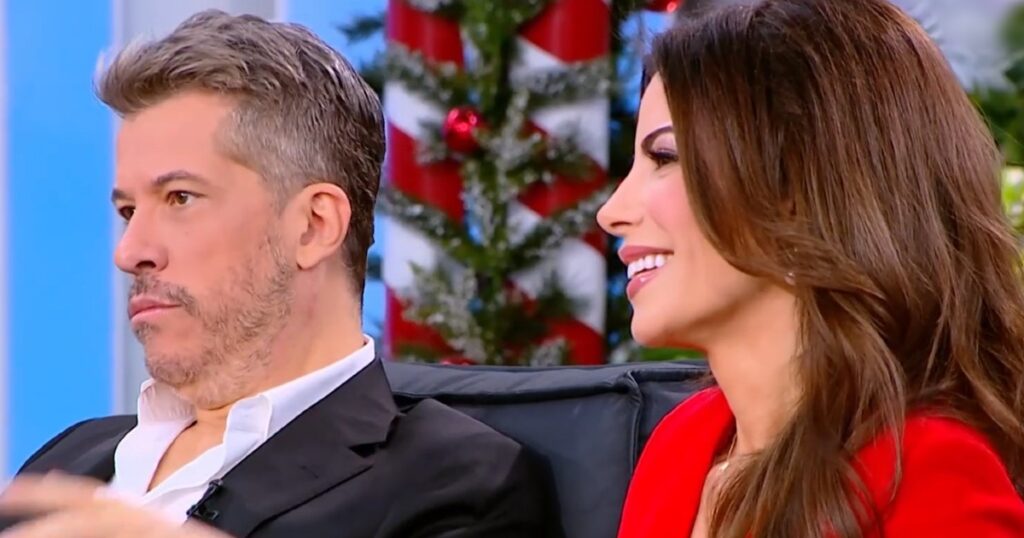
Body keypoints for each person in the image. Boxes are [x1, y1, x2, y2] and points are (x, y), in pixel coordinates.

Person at [0, 10, 554, 538]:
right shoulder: (69, 460)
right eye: (128, 211)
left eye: (180, 198)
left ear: (313, 226)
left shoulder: (453, 480)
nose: (130, 251)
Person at [597, 0, 1024, 537]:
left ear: (801, 192)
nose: (612, 212)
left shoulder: (930, 474)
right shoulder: (682, 444)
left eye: (665, 158)